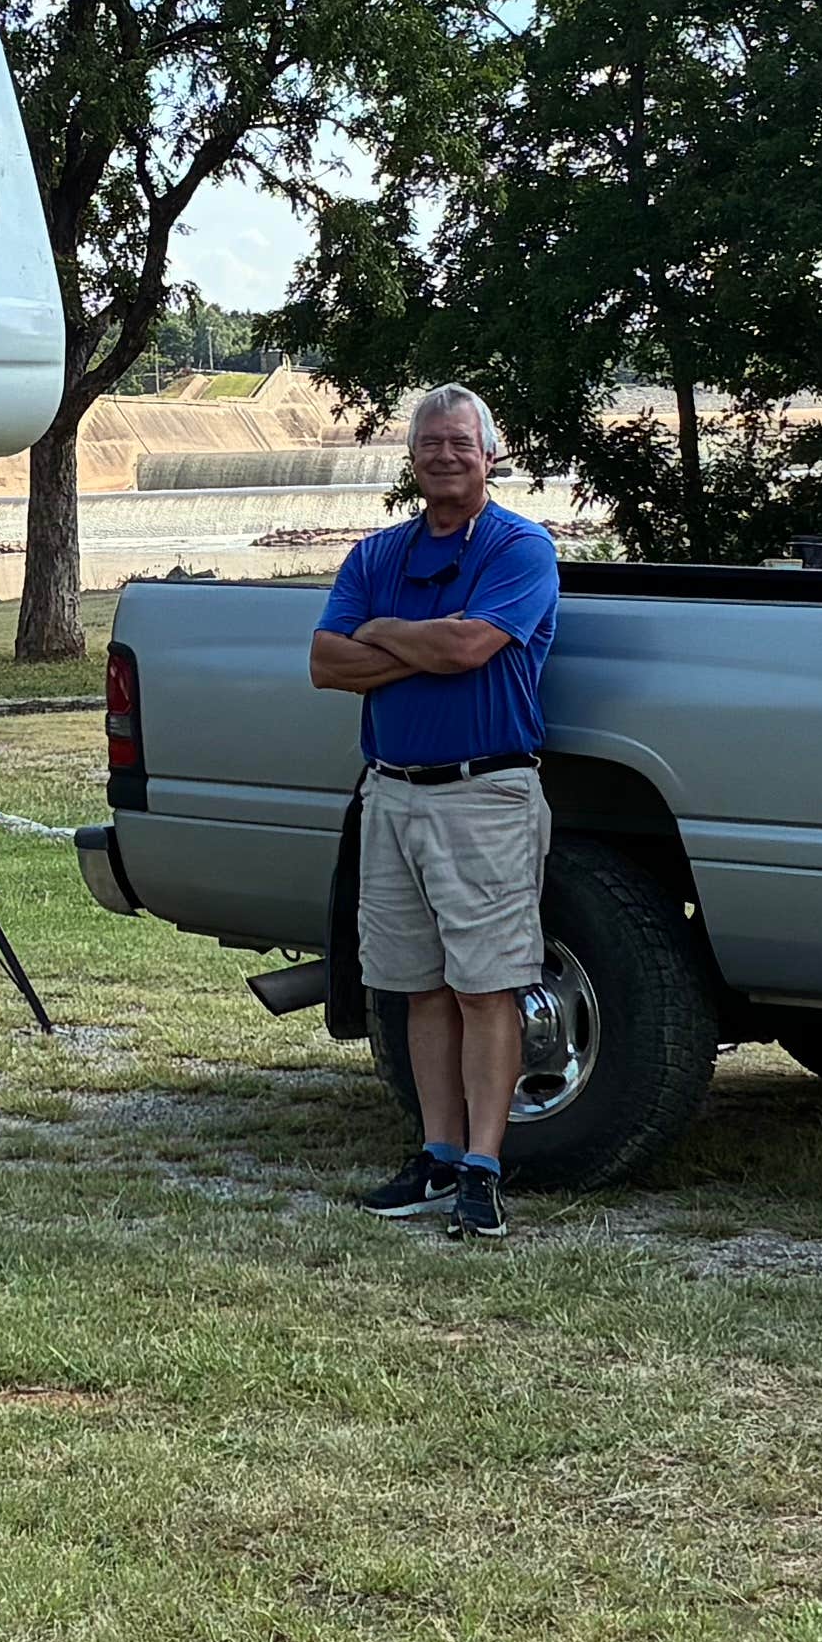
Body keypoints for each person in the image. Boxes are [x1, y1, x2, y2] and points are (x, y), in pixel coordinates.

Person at [311, 382, 559, 1241]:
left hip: (484, 793)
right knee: (419, 988)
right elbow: (324, 663)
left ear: (492, 455)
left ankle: (484, 1173)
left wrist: (379, 633)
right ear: (410, 458)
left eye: (462, 443)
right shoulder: (378, 554)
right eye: (431, 444)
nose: (446, 456)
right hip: (391, 794)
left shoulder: (520, 549)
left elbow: (469, 646)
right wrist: (416, 639)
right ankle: (438, 1153)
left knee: (486, 986)